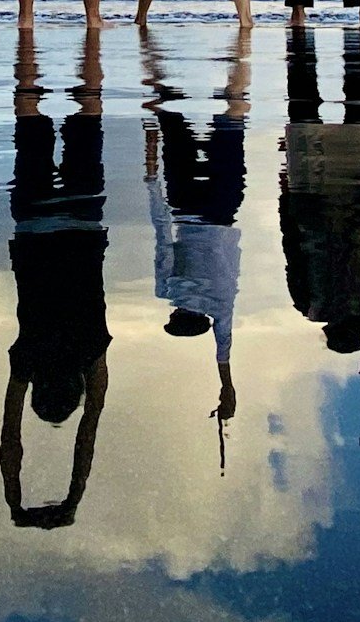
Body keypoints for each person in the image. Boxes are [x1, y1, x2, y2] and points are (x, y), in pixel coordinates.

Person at [0, 32, 110, 528]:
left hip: (84, 226)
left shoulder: (91, 354)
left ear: (80, 388)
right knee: (30, 119)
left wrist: (74, 495)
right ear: (38, 387)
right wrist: (14, 502)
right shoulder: (26, 361)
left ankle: (89, 42)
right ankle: (28, 47)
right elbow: (10, 436)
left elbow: (89, 429)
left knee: (88, 114)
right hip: (35, 228)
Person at [143, 28, 248, 444]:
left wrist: (227, 386)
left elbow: (224, 349)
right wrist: (151, 171)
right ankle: (152, 55)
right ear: (174, 316)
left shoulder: (220, 307)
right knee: (170, 113)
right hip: (186, 203)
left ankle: (240, 51)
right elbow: (160, 229)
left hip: (222, 208)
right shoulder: (166, 290)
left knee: (234, 111)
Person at [278, 29, 360, 379]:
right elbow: (291, 246)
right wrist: (285, 194)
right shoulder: (307, 304)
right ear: (328, 330)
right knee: (303, 104)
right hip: (310, 198)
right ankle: (303, 41)